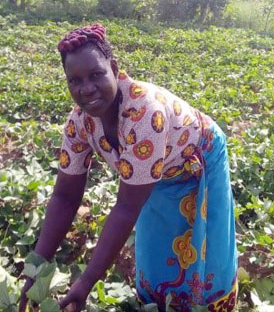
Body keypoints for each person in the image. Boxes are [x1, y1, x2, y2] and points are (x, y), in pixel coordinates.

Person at [19, 23, 238, 312]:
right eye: (75, 81)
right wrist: (35, 267)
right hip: (154, 175)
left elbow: (126, 208)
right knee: (157, 251)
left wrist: (84, 284)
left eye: (96, 75)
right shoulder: (78, 123)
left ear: (113, 67)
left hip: (199, 161)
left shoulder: (145, 113)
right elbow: (65, 196)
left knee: (206, 256)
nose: (86, 89)